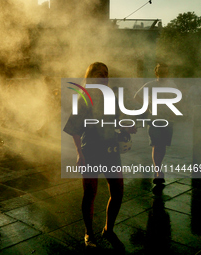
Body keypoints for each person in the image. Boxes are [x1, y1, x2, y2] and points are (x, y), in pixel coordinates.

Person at [63, 62, 136, 250]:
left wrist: (126, 127)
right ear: (90, 77)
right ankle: (89, 232)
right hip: (91, 151)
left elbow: (117, 121)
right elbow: (75, 130)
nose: (104, 77)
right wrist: (79, 154)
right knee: (90, 194)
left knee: (118, 192)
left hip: (111, 150)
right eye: (100, 74)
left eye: (106, 74)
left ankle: (108, 229)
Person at [134, 63, 177, 185]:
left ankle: (158, 168)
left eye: (165, 72)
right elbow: (136, 96)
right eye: (161, 72)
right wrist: (146, 106)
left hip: (168, 120)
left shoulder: (172, 85)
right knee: (156, 145)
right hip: (154, 119)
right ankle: (158, 171)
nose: (164, 74)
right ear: (156, 72)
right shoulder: (151, 85)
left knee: (162, 146)